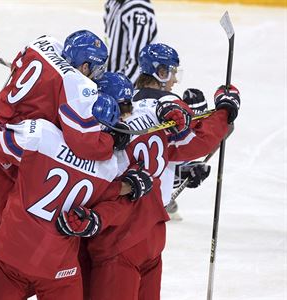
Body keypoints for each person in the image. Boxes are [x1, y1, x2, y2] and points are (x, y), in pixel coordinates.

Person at [0, 30, 131, 299]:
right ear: (85, 66)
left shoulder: (43, 48)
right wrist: (113, 146)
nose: (97, 75)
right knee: (7, 232)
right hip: (18, 169)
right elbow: (83, 143)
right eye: (96, 68)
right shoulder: (104, 156)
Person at [80, 43, 241, 300]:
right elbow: (186, 145)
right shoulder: (160, 109)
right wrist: (224, 111)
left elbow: (115, 172)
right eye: (173, 72)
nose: (175, 79)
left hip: (119, 234)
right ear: (161, 71)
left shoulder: (107, 126)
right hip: (152, 231)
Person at [0, 93, 153, 299]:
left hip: (10, 254)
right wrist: (131, 185)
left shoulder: (41, 134)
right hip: (58, 267)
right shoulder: (109, 167)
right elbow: (115, 199)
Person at [165, 88, 213, 220]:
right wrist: (183, 175)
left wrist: (188, 172)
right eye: (194, 119)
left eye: (201, 118)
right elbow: (159, 172)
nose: (197, 124)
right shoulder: (173, 134)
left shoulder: (196, 135)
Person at [104, 0, 158, 83]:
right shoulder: (113, 3)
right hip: (111, 82)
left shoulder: (138, 9)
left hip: (123, 88)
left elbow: (138, 63)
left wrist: (120, 90)